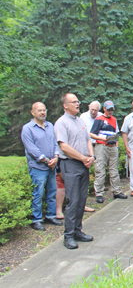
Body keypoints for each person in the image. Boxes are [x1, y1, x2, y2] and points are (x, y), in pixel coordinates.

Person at [54, 93, 95, 249]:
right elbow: (64, 147)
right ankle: (69, 235)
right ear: (65, 105)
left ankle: (78, 231)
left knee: (82, 199)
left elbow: (87, 140)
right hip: (70, 164)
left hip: (84, 164)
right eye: (73, 102)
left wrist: (91, 156)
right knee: (73, 200)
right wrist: (83, 159)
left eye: (78, 101)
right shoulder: (61, 123)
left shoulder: (80, 121)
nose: (77, 104)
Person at [21, 102, 61, 231]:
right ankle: (36, 219)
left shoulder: (50, 126)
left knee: (51, 192)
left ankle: (50, 215)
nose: (42, 112)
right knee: (38, 193)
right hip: (38, 167)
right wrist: (45, 160)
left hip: (52, 166)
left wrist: (55, 157)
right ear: (33, 112)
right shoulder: (27, 128)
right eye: (39, 110)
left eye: (44, 110)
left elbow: (56, 143)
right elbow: (31, 148)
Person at [89, 100, 127, 203]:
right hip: (102, 146)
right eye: (108, 109)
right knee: (100, 169)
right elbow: (91, 134)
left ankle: (117, 191)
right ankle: (99, 193)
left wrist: (117, 147)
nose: (110, 111)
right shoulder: (99, 119)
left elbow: (116, 133)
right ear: (104, 109)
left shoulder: (114, 119)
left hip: (112, 146)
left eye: (112, 110)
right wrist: (101, 139)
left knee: (114, 169)